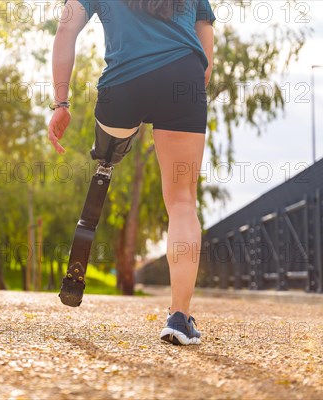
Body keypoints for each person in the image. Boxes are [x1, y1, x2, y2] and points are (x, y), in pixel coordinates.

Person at [48, 0, 216, 346]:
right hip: (181, 78)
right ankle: (179, 319)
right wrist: (187, 100)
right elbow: (205, 49)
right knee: (182, 202)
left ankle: (108, 158)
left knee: (109, 152)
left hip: (122, 87)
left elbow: (66, 30)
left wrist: (61, 104)